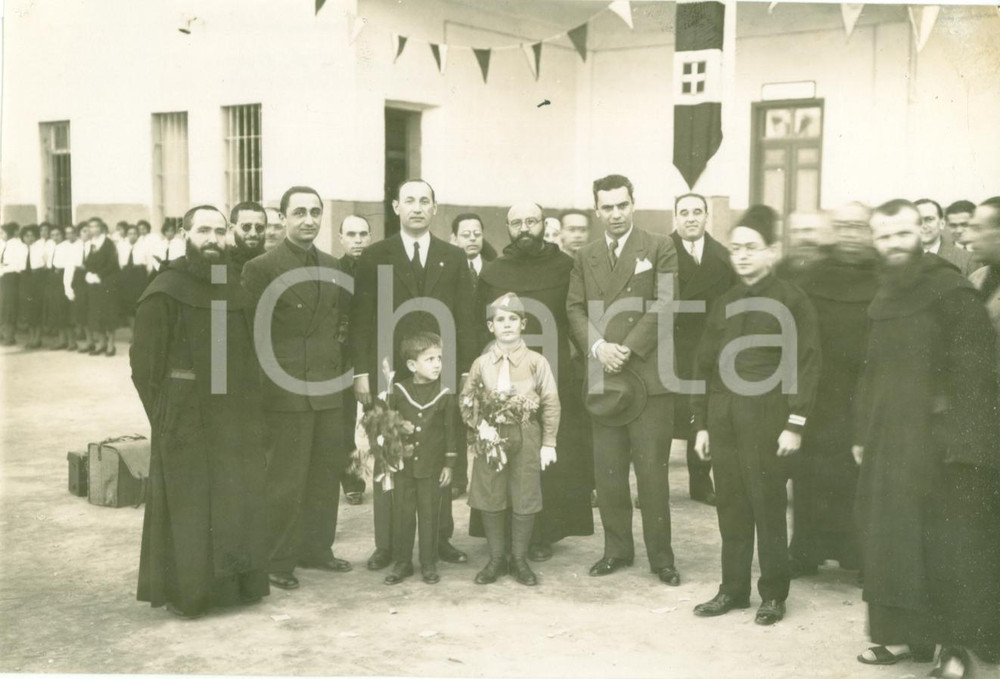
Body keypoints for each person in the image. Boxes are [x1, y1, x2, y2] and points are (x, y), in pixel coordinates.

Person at [853, 199, 1000, 673]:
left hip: (939, 447)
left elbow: (976, 377)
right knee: (891, 543)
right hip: (888, 440)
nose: (893, 244)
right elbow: (870, 371)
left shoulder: (950, 290)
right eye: (883, 236)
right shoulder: (884, 293)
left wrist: (961, 446)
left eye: (901, 234)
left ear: (921, 232)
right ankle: (902, 638)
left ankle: (951, 648)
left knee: (943, 548)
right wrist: (862, 432)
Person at [130, 204, 269, 618]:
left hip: (233, 416)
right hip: (185, 416)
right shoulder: (166, 287)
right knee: (191, 504)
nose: (212, 239)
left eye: (218, 231)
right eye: (203, 231)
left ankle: (234, 589)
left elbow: (245, 355)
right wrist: (166, 416)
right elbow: (144, 366)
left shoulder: (231, 284)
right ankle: (191, 594)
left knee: (234, 497)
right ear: (185, 234)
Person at [690, 206, 821, 626]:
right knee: (730, 506)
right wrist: (703, 423)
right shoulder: (725, 302)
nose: (742, 256)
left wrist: (795, 423)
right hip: (724, 416)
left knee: (766, 507)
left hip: (768, 417)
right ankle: (733, 589)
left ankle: (773, 594)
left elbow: (807, 363)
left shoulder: (792, 301)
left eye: (752, 248)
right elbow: (704, 365)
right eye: (736, 248)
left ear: (773, 252)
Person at [350, 178, 478, 572]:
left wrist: (464, 373)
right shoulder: (375, 256)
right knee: (391, 457)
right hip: (391, 375)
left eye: (425, 201)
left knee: (437, 456)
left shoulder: (453, 257)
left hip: (439, 374)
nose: (417, 208)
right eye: (410, 201)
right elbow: (361, 320)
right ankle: (388, 545)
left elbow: (467, 319)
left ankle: (439, 540)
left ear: (435, 208)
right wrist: (363, 373)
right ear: (395, 207)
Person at [566, 173, 681, 585]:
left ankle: (661, 558)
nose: (615, 214)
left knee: (652, 473)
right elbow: (575, 308)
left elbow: (667, 302)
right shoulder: (586, 255)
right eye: (607, 207)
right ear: (597, 210)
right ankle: (616, 549)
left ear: (634, 204)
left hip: (648, 377)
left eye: (622, 205)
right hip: (605, 377)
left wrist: (627, 347)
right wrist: (599, 348)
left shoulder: (660, 246)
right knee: (609, 472)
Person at [242, 186, 353, 591]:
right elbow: (251, 335)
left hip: (327, 387)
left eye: (315, 212)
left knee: (325, 472)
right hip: (284, 389)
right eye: (300, 212)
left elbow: (339, 327)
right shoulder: (261, 267)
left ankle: (317, 549)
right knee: (286, 479)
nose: (308, 219)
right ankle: (278, 559)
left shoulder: (333, 265)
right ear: (284, 218)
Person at [473, 201, 594, 561]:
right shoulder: (494, 271)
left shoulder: (565, 267)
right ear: (507, 228)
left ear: (543, 224)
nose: (524, 228)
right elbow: (479, 322)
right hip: (504, 374)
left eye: (531, 221)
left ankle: (544, 533)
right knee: (505, 450)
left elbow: (577, 315)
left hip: (553, 369)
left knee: (547, 451)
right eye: (516, 223)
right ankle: (500, 533)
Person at [787, 202, 877, 580]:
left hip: (864, 391)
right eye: (843, 227)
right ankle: (806, 551)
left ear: (870, 231)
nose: (850, 235)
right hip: (821, 393)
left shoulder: (883, 275)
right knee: (810, 474)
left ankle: (857, 553)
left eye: (858, 227)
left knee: (859, 476)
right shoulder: (813, 276)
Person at [463, 293, 560, 586]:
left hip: (526, 433)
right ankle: (496, 558)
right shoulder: (481, 363)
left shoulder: (536, 361)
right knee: (491, 493)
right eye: (500, 320)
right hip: (491, 436)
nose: (507, 325)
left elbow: (551, 401)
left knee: (525, 493)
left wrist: (549, 442)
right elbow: (467, 400)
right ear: (491, 326)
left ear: (523, 324)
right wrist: (480, 426)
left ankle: (519, 559)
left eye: (513, 319)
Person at [669, 192, 737, 506]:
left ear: (706, 216)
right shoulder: (660, 252)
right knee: (666, 414)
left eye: (697, 211)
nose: (691, 218)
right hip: (669, 347)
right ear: (676, 218)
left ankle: (700, 481)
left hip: (709, 347)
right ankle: (653, 484)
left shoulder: (723, 258)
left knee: (703, 413)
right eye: (684, 212)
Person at [382, 332, 458, 586]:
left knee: (429, 515)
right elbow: (389, 427)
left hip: (432, 467)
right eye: (429, 359)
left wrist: (449, 464)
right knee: (403, 514)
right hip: (404, 467)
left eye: (439, 358)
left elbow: (450, 431)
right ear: (412, 365)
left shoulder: (445, 394)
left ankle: (428, 562)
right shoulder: (398, 391)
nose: (437, 364)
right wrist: (390, 457)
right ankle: (402, 562)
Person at [449, 212, 494, 498]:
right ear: (454, 238)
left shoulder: (493, 269)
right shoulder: (449, 269)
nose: (472, 239)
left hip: (488, 348)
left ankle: (488, 474)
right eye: (465, 234)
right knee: (456, 412)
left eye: (477, 233)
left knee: (489, 412)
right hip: (456, 349)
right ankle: (456, 478)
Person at [338, 214, 373, 506]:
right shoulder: (332, 269)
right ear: (341, 238)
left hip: (373, 355)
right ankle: (352, 480)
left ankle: (388, 476)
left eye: (363, 234)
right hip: (342, 357)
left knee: (379, 420)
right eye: (351, 234)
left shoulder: (379, 269)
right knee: (343, 423)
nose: (358, 240)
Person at [81, 218, 121, 356]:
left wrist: (99, 275)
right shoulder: (89, 244)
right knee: (96, 314)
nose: (93, 229)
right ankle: (101, 343)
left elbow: (112, 264)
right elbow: (87, 262)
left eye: (95, 226)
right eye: (90, 227)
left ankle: (111, 345)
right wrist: (88, 273)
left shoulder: (108, 243)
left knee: (108, 313)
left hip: (107, 283)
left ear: (101, 228)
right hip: (93, 285)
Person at [915, 198, 974, 275]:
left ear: (942, 223)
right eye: (917, 220)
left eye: (929, 219)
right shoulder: (900, 259)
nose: (923, 226)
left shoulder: (968, 259)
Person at [117, 224, 151, 335]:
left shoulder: (144, 246)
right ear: (126, 235)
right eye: (130, 234)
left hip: (139, 275)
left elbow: (149, 265)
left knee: (139, 305)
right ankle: (133, 333)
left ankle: (140, 333)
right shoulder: (121, 246)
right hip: (126, 276)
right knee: (129, 305)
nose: (132, 236)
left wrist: (143, 276)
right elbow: (119, 263)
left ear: (138, 235)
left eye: (134, 233)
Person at [46, 226, 75, 349]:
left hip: (63, 278)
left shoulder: (67, 247)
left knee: (65, 310)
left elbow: (69, 265)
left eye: (57, 234)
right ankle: (62, 340)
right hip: (53, 278)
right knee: (56, 310)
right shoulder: (51, 247)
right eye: (52, 235)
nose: (55, 237)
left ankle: (72, 342)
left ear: (62, 235)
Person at [19, 225, 46, 349]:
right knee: (27, 310)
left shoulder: (40, 248)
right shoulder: (21, 249)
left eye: (31, 235)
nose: (29, 238)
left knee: (36, 309)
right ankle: (31, 338)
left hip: (37, 280)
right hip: (25, 280)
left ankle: (38, 338)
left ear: (35, 236)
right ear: (23, 238)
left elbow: (45, 263)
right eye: (26, 236)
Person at [0, 222, 26, 345]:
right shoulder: (6, 244)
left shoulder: (17, 245)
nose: (1, 235)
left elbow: (18, 264)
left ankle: (10, 337)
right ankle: (6, 335)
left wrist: (4, 266)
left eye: (3, 232)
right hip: (5, 277)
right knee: (5, 307)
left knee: (10, 307)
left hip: (12, 278)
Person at [229, 201, 266, 268]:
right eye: (246, 227)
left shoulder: (274, 263)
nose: (253, 234)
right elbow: (218, 279)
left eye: (259, 228)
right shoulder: (220, 264)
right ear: (232, 229)